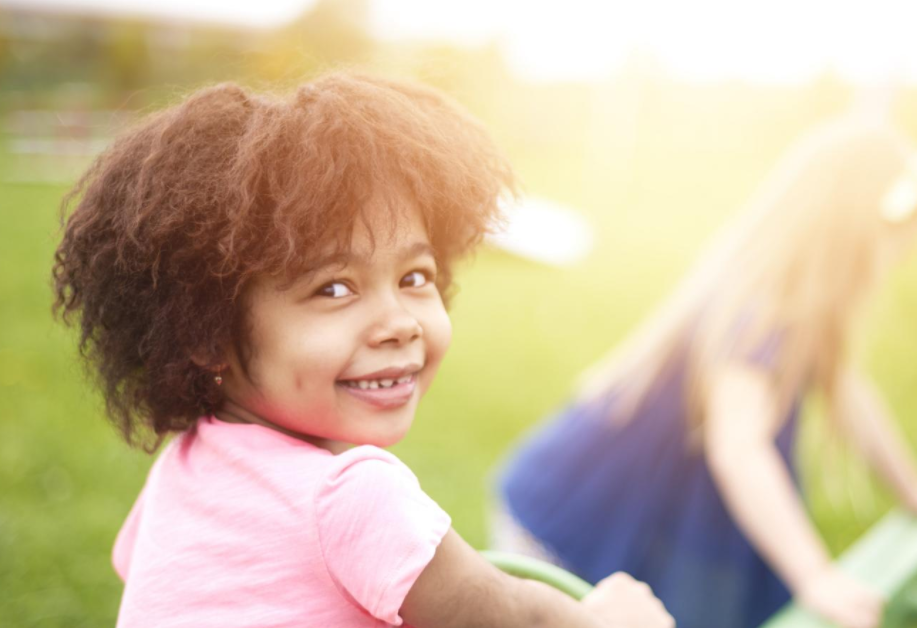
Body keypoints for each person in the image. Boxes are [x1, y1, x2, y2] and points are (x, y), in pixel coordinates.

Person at [52, 74, 673, 628]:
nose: (399, 323)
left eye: (415, 278)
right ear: (206, 333)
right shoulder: (352, 497)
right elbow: (516, 616)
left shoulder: (184, 468)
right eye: (334, 288)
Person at [495, 119, 917, 628]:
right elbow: (739, 448)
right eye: (893, 243)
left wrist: (915, 492)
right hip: (571, 523)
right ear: (853, 232)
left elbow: (847, 388)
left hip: (636, 513)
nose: (894, 262)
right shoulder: (762, 310)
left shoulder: (804, 304)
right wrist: (815, 575)